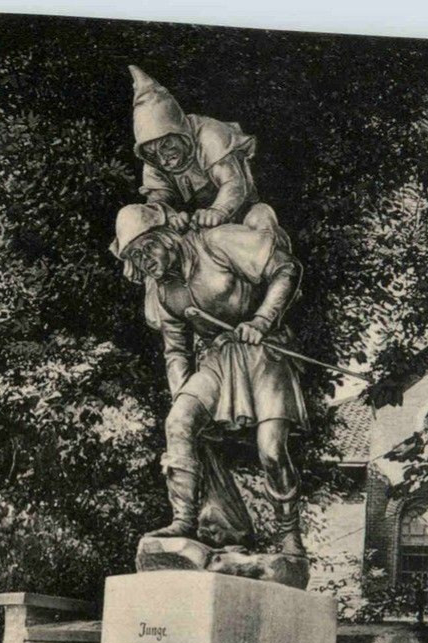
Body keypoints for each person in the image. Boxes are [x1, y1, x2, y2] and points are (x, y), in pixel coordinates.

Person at [110, 201, 309, 556]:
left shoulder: (215, 242)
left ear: (167, 236)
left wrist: (263, 319)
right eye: (135, 257)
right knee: (178, 423)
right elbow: (176, 350)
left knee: (272, 450)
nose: (144, 260)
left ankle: (288, 533)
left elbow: (285, 268)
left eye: (147, 247)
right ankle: (184, 520)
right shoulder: (161, 290)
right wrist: (183, 397)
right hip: (218, 358)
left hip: (265, 350)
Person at [129, 65, 268, 233]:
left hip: (243, 213)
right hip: (196, 228)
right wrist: (170, 216)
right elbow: (158, 200)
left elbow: (233, 182)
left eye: (166, 144)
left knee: (262, 222)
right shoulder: (153, 160)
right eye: (153, 153)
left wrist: (218, 211)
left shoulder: (210, 134)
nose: (163, 158)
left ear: (180, 132)